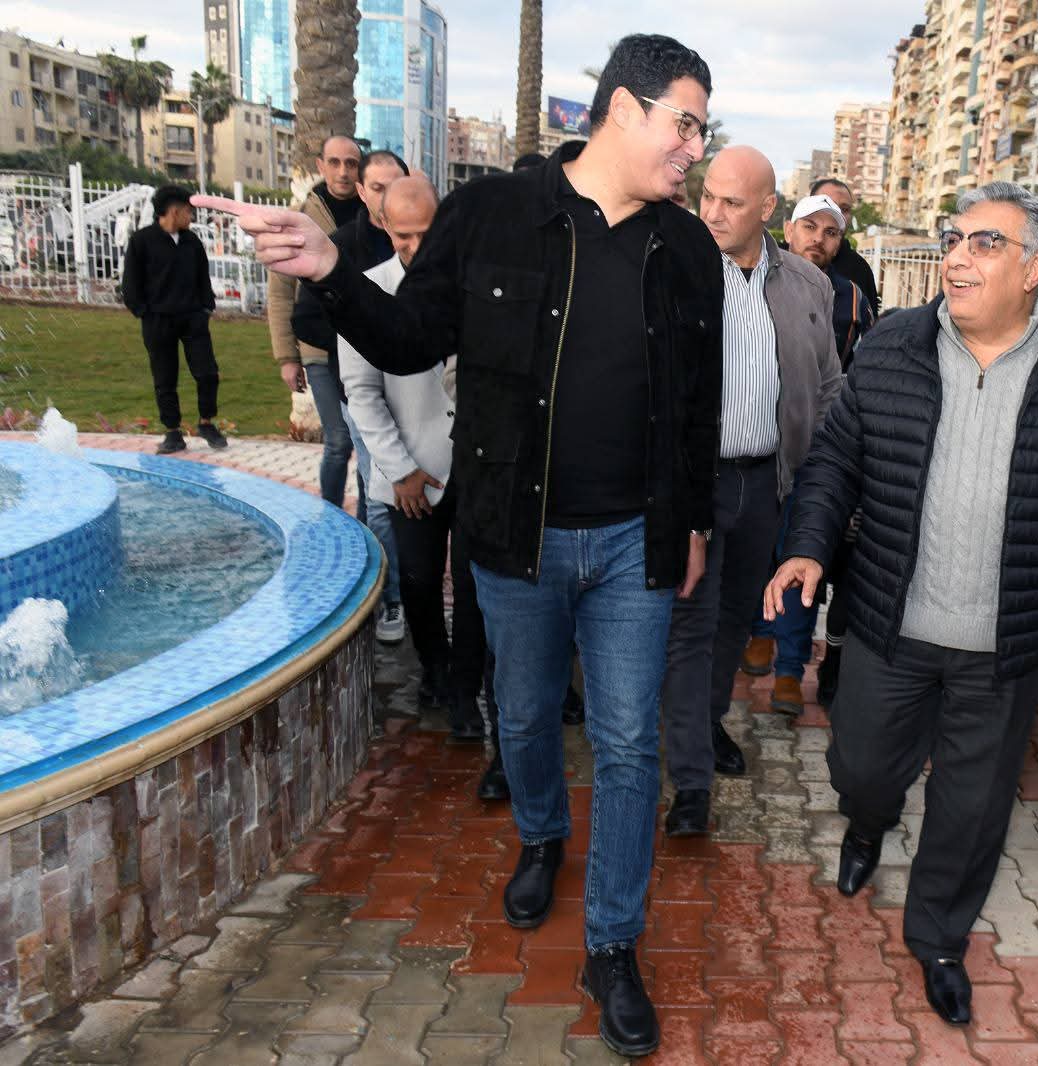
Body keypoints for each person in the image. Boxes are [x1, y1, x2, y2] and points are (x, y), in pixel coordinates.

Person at [199, 34, 722, 1059]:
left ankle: (612, 943)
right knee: (521, 715)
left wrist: (694, 520)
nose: (694, 147)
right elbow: (407, 339)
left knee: (628, 744)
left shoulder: (687, 248)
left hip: (635, 544)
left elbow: (697, 399)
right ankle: (541, 835)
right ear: (625, 109)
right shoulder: (491, 215)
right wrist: (329, 268)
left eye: (702, 130)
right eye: (686, 123)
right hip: (514, 538)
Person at [764, 181, 1038, 1027]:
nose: (957, 258)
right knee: (862, 769)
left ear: (1036, 269)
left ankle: (938, 938)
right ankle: (866, 822)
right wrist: (808, 546)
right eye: (954, 239)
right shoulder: (894, 345)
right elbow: (835, 461)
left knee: (972, 810)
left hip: (1004, 646)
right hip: (888, 624)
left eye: (984, 243)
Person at [659, 147, 839, 837]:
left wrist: (820, 479)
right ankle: (691, 781)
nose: (712, 212)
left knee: (735, 622)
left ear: (768, 209)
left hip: (766, 483)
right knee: (691, 626)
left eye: (731, 202)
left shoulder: (807, 285)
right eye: (707, 195)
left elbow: (828, 385)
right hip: (694, 485)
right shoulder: (675, 271)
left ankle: (704, 728)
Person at [338, 175, 499, 800]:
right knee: (420, 583)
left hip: (477, 469)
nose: (415, 246)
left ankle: (464, 693)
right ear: (384, 226)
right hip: (409, 475)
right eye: (404, 235)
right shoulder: (367, 292)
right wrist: (399, 469)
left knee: (479, 588)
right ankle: (434, 668)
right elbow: (362, 395)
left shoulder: (477, 285)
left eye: (427, 233)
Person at [743, 192, 874, 713]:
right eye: (810, 227)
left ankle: (790, 671)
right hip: (754, 448)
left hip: (817, 452)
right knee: (757, 553)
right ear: (789, 229)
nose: (818, 239)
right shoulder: (749, 279)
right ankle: (759, 632)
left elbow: (854, 373)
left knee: (801, 556)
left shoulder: (851, 297)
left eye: (831, 232)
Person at [301, 149, 411, 647]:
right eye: (378, 188)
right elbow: (306, 317)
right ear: (363, 192)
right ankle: (390, 598)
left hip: (420, 399)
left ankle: (411, 589)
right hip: (364, 393)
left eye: (396, 186)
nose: (387, 198)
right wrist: (360, 337)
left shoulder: (427, 240)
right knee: (380, 497)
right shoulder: (341, 246)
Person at [268, 135, 362, 505]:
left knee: (367, 443)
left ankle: (368, 523)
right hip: (319, 347)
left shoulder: (371, 215)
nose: (343, 171)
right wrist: (287, 357)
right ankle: (330, 514)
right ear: (321, 166)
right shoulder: (298, 220)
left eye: (351, 163)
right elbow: (280, 292)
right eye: (335, 162)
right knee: (338, 441)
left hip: (365, 345)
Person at [120, 184, 227, 454]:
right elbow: (130, 283)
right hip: (158, 321)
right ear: (174, 211)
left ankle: (206, 422)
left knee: (207, 372)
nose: (191, 217)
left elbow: (203, 278)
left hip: (193, 318)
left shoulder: (192, 242)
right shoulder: (142, 241)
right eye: (188, 212)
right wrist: (143, 311)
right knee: (165, 378)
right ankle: (172, 432)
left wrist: (206, 308)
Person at [809, 177, 880, 316]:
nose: (837, 214)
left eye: (845, 209)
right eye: (828, 204)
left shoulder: (859, 269)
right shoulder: (777, 258)